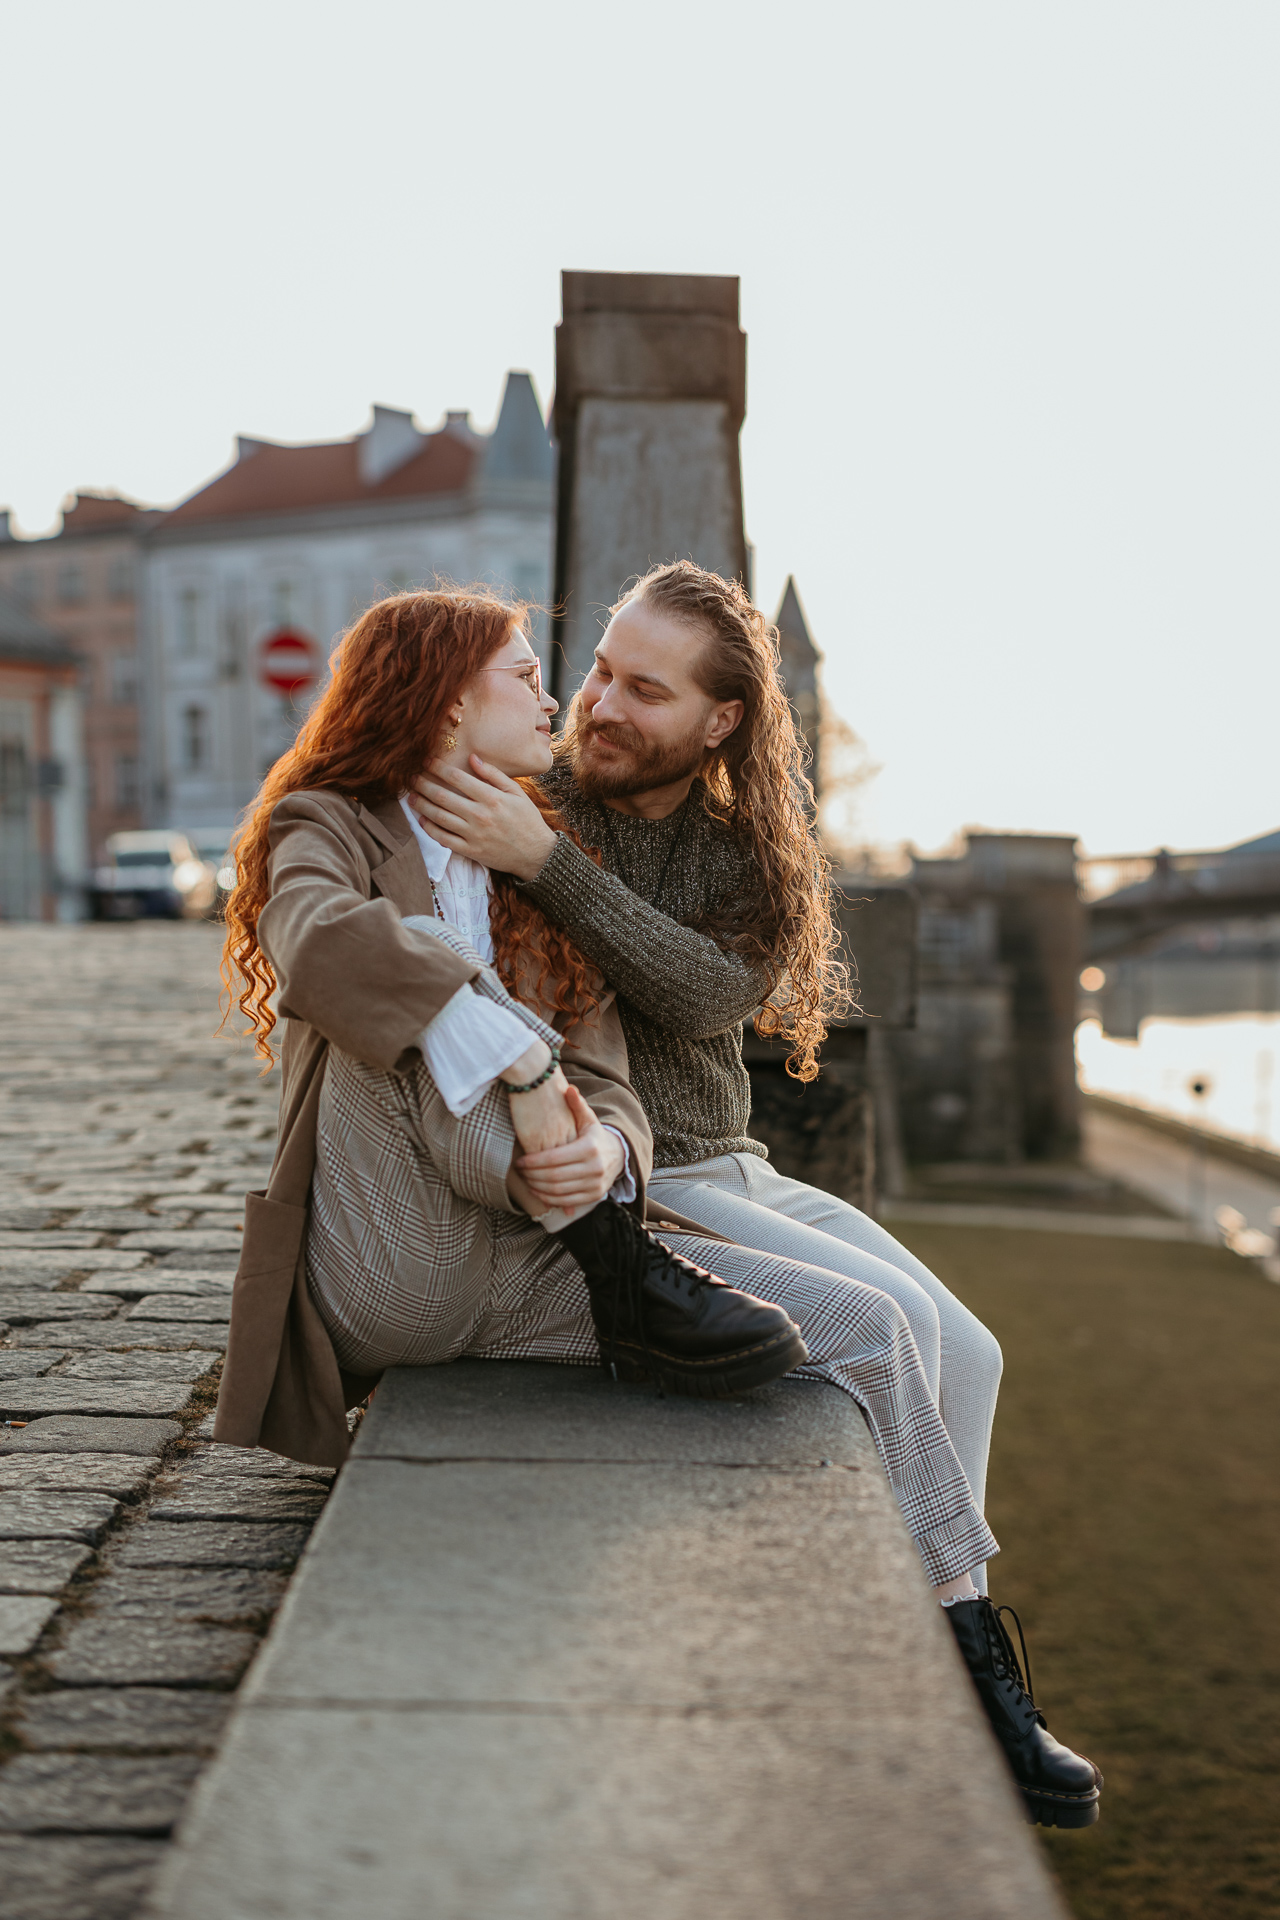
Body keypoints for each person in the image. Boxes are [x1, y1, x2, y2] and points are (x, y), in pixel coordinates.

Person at [408, 564, 1102, 1829]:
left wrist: (549, 868)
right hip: (634, 1166)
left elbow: (707, 996)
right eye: (601, 668)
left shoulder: (743, 846)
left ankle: (926, 1645)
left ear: (719, 721)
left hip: (732, 1162)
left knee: (976, 1352)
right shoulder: (525, 792)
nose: (600, 703)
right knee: (887, 1338)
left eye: (642, 689)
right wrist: (530, 845)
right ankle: (955, 1676)